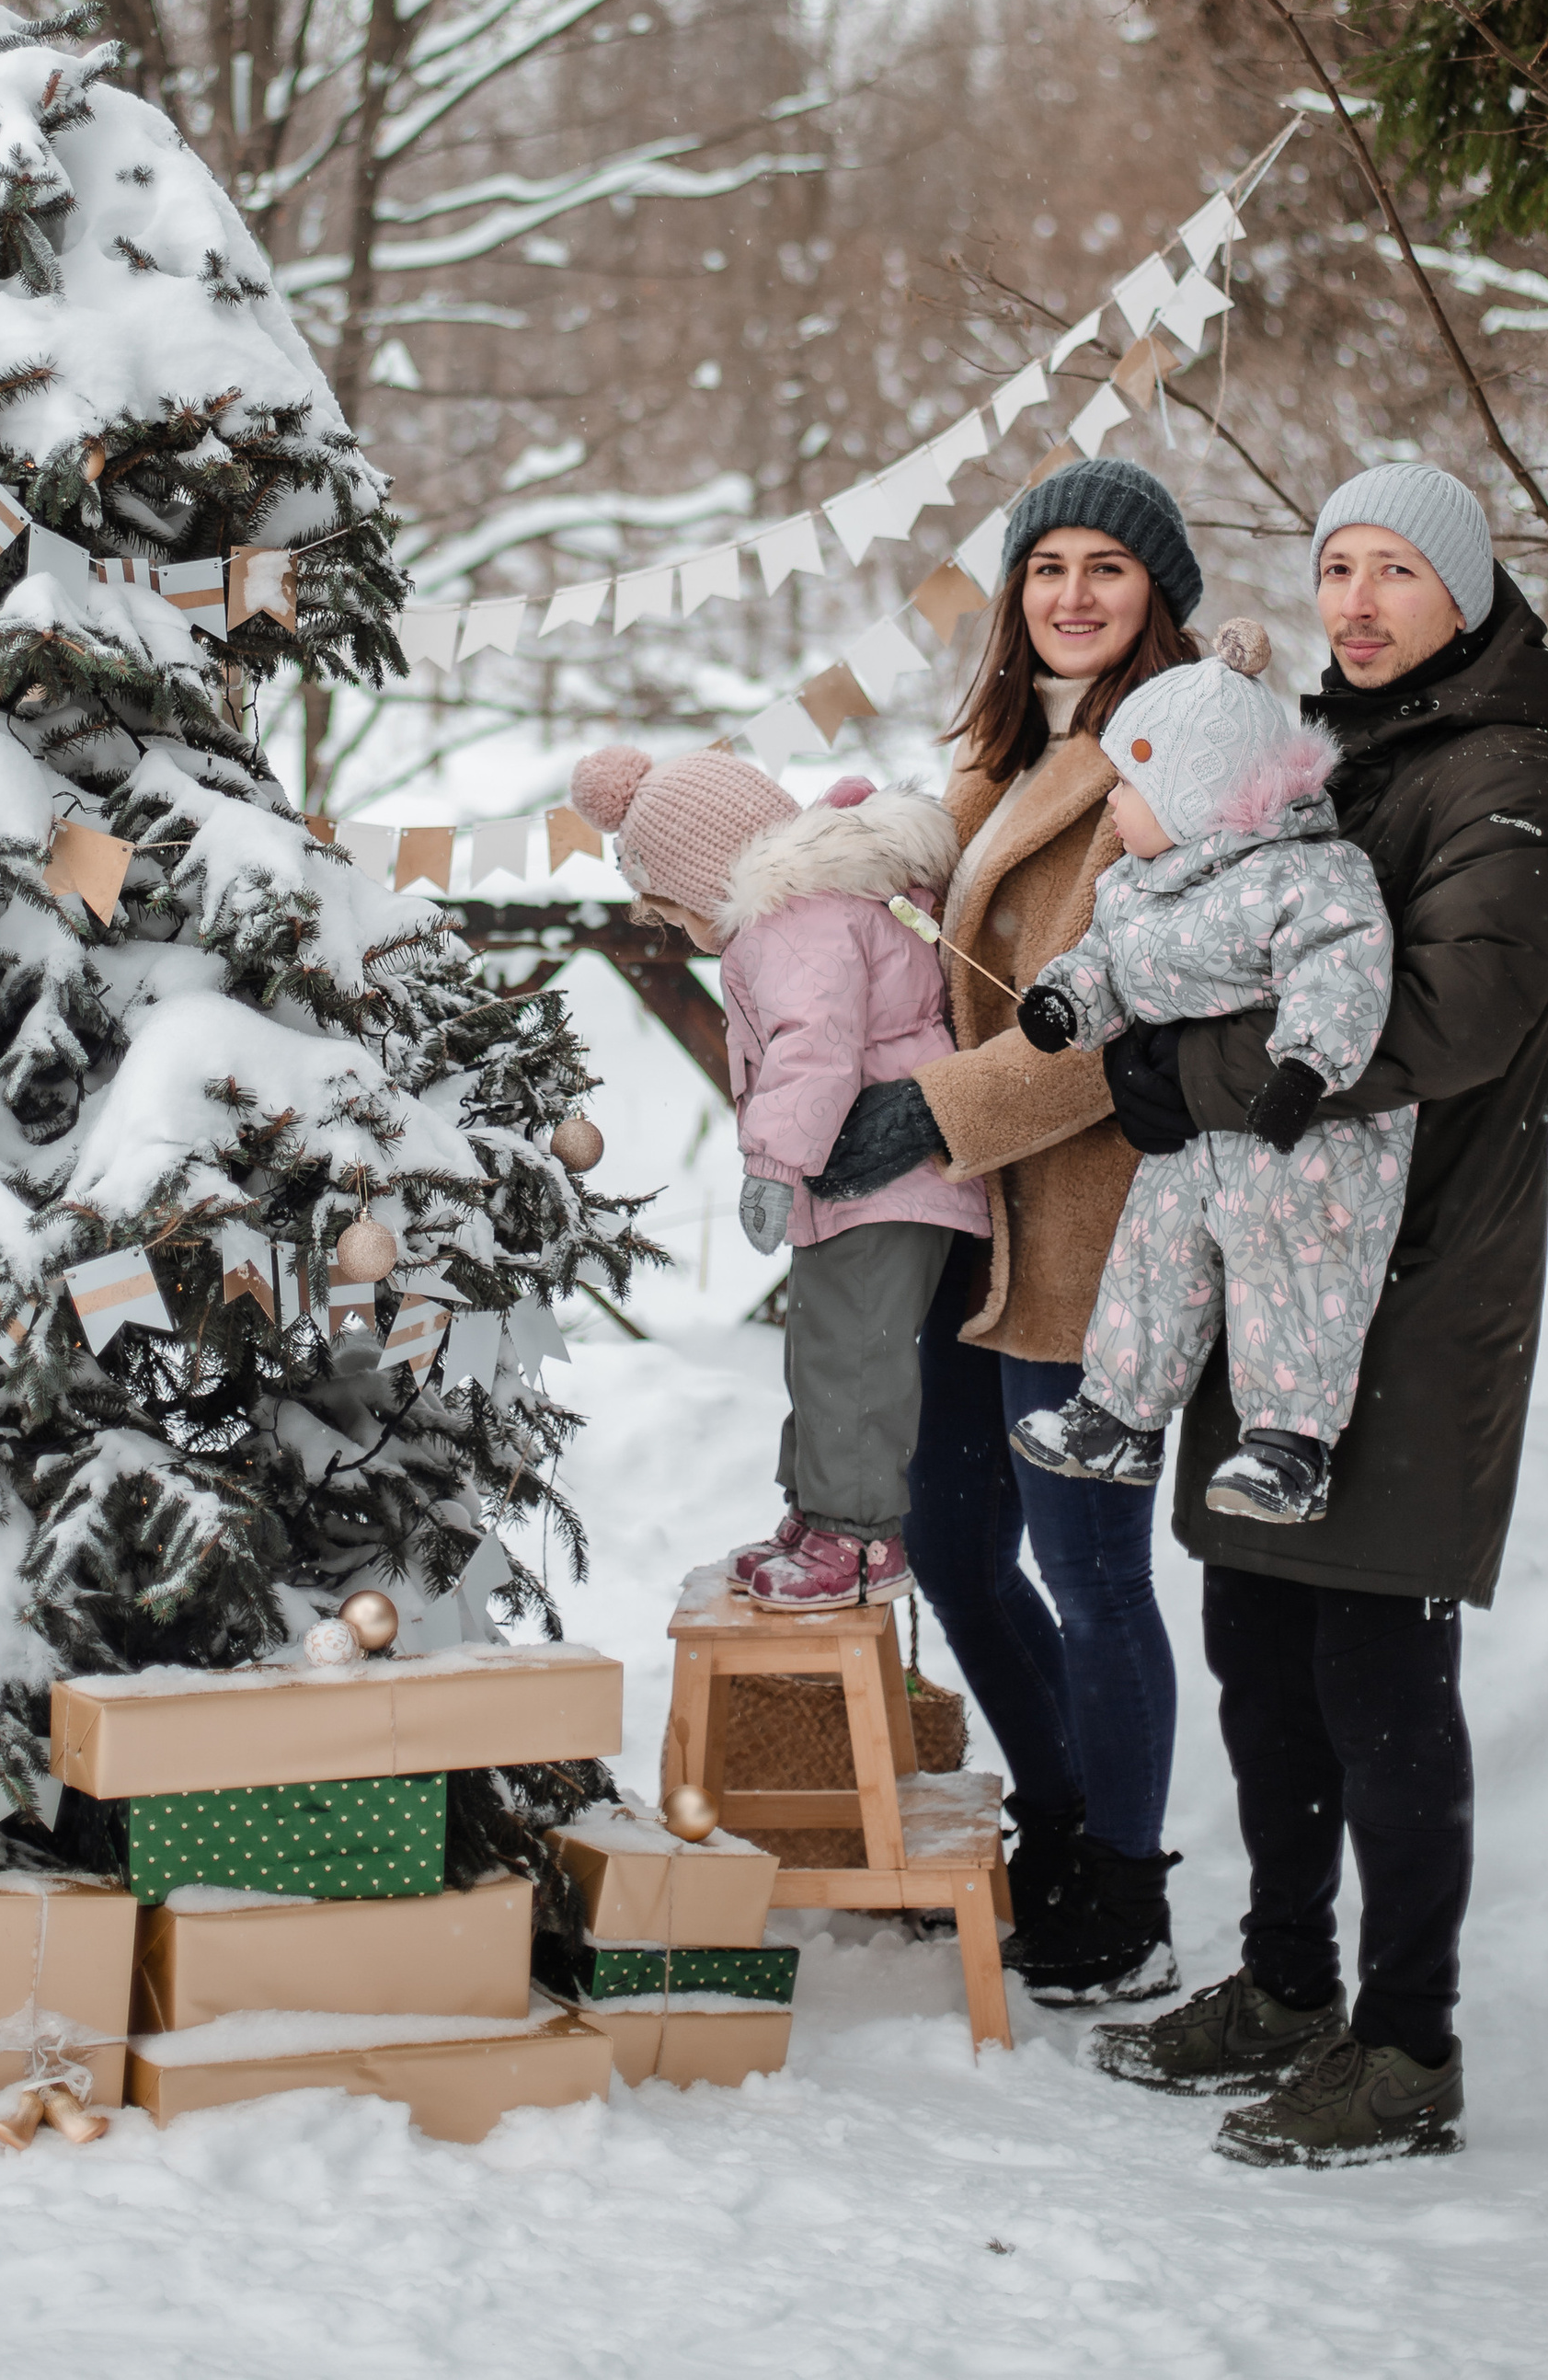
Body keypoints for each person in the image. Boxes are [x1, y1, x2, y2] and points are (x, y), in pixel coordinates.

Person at [1089, 464, 1548, 2168]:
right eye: (1338, 570)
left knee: (1380, 1674)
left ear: (1468, 595)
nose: (1359, 602)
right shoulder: (1328, 756)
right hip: (1275, 1262)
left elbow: (1445, 1020)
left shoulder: (1508, 782)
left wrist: (1192, 1074)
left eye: (1397, 573)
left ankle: (1409, 2046)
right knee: (1259, 1658)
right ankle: (1289, 1987)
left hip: (1417, 1291)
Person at [809, 457, 1201, 2002]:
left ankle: (1128, 1883)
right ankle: (1059, 1820)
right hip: (973, 1234)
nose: (1074, 596)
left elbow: (1113, 1021)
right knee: (960, 1545)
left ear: (1156, 596)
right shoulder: (993, 760)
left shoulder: (1171, 764)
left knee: (1090, 1566)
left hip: (1091, 1231)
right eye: (1049, 568)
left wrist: (927, 1115)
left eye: (1110, 568)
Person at [564, 744, 991, 1608]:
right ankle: (818, 1511)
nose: (680, 931)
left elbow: (815, 1048)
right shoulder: (810, 909)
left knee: (854, 1353)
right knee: (822, 1343)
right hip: (860, 1175)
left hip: (886, 1175)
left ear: (708, 873)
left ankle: (860, 1537)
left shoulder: (793, 922)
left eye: (676, 911)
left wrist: (772, 1164)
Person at [1012, 616, 1415, 1527]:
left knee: (1296, 1277)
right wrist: (1065, 1003)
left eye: (1131, 781)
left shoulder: (1306, 874)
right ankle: (1117, 1416)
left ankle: (1288, 1446)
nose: (1113, 799)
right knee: (1149, 1263)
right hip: (1193, 1134)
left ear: (1196, 796)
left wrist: (1308, 1061)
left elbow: (1342, 961)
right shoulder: (1134, 884)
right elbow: (1103, 962)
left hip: (1305, 1140)